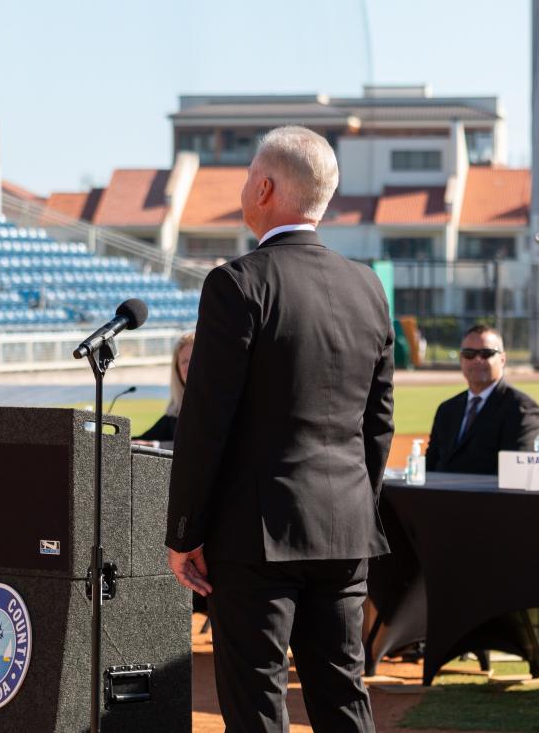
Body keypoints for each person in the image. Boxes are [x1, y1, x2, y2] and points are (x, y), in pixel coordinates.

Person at [165, 126, 395, 732]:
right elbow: (378, 423)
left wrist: (184, 529)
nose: (243, 188)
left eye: (246, 176)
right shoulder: (368, 288)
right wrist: (354, 504)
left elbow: (205, 421)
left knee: (257, 701)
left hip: (257, 535)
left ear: (265, 188)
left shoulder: (237, 283)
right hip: (345, 528)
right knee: (343, 695)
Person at [425, 325, 539, 474]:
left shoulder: (521, 409)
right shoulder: (447, 410)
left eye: (486, 353)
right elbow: (429, 468)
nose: (477, 360)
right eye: (469, 354)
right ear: (461, 359)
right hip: (442, 495)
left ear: (503, 359)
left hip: (488, 497)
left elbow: (516, 475)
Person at [133, 331, 194, 449]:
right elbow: (140, 441)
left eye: (194, 359)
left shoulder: (217, 407)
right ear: (177, 370)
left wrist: (156, 446)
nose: (189, 366)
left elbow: (197, 447)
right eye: (184, 361)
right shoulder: (175, 413)